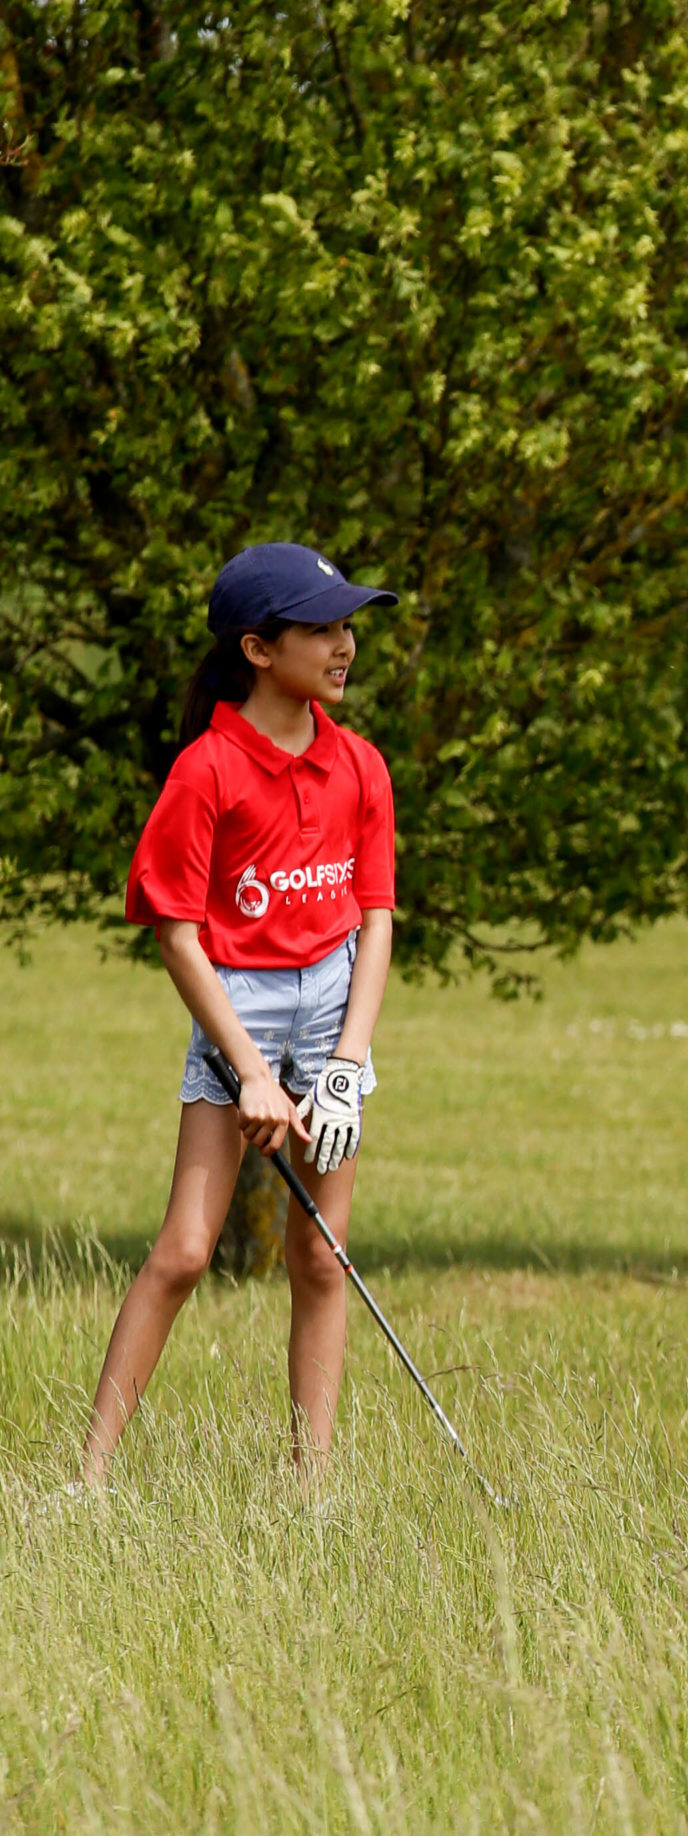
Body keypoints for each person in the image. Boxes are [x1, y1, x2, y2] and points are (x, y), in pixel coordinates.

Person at [75, 543, 401, 1489]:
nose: (344, 646)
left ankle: (314, 1493)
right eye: (323, 629)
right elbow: (178, 934)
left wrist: (345, 1065)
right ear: (259, 648)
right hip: (239, 1006)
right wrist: (251, 1070)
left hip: (336, 1001)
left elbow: (374, 920)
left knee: (320, 1256)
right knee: (183, 1250)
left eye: (348, 627)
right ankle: (88, 1482)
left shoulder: (361, 767)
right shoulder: (207, 770)